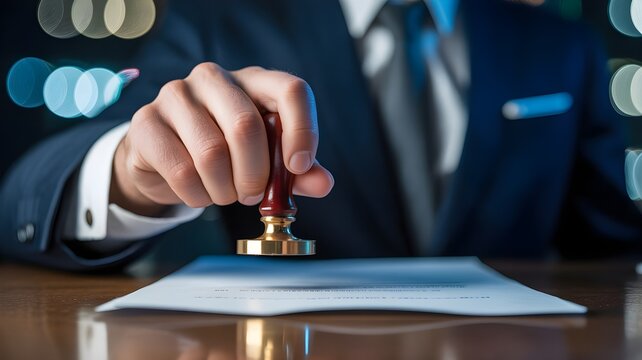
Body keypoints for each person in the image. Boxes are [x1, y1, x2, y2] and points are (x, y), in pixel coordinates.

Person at [2, 0, 642, 271]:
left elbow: (611, 250)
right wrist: (128, 170)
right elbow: (24, 196)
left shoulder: (559, 45)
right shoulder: (220, 23)